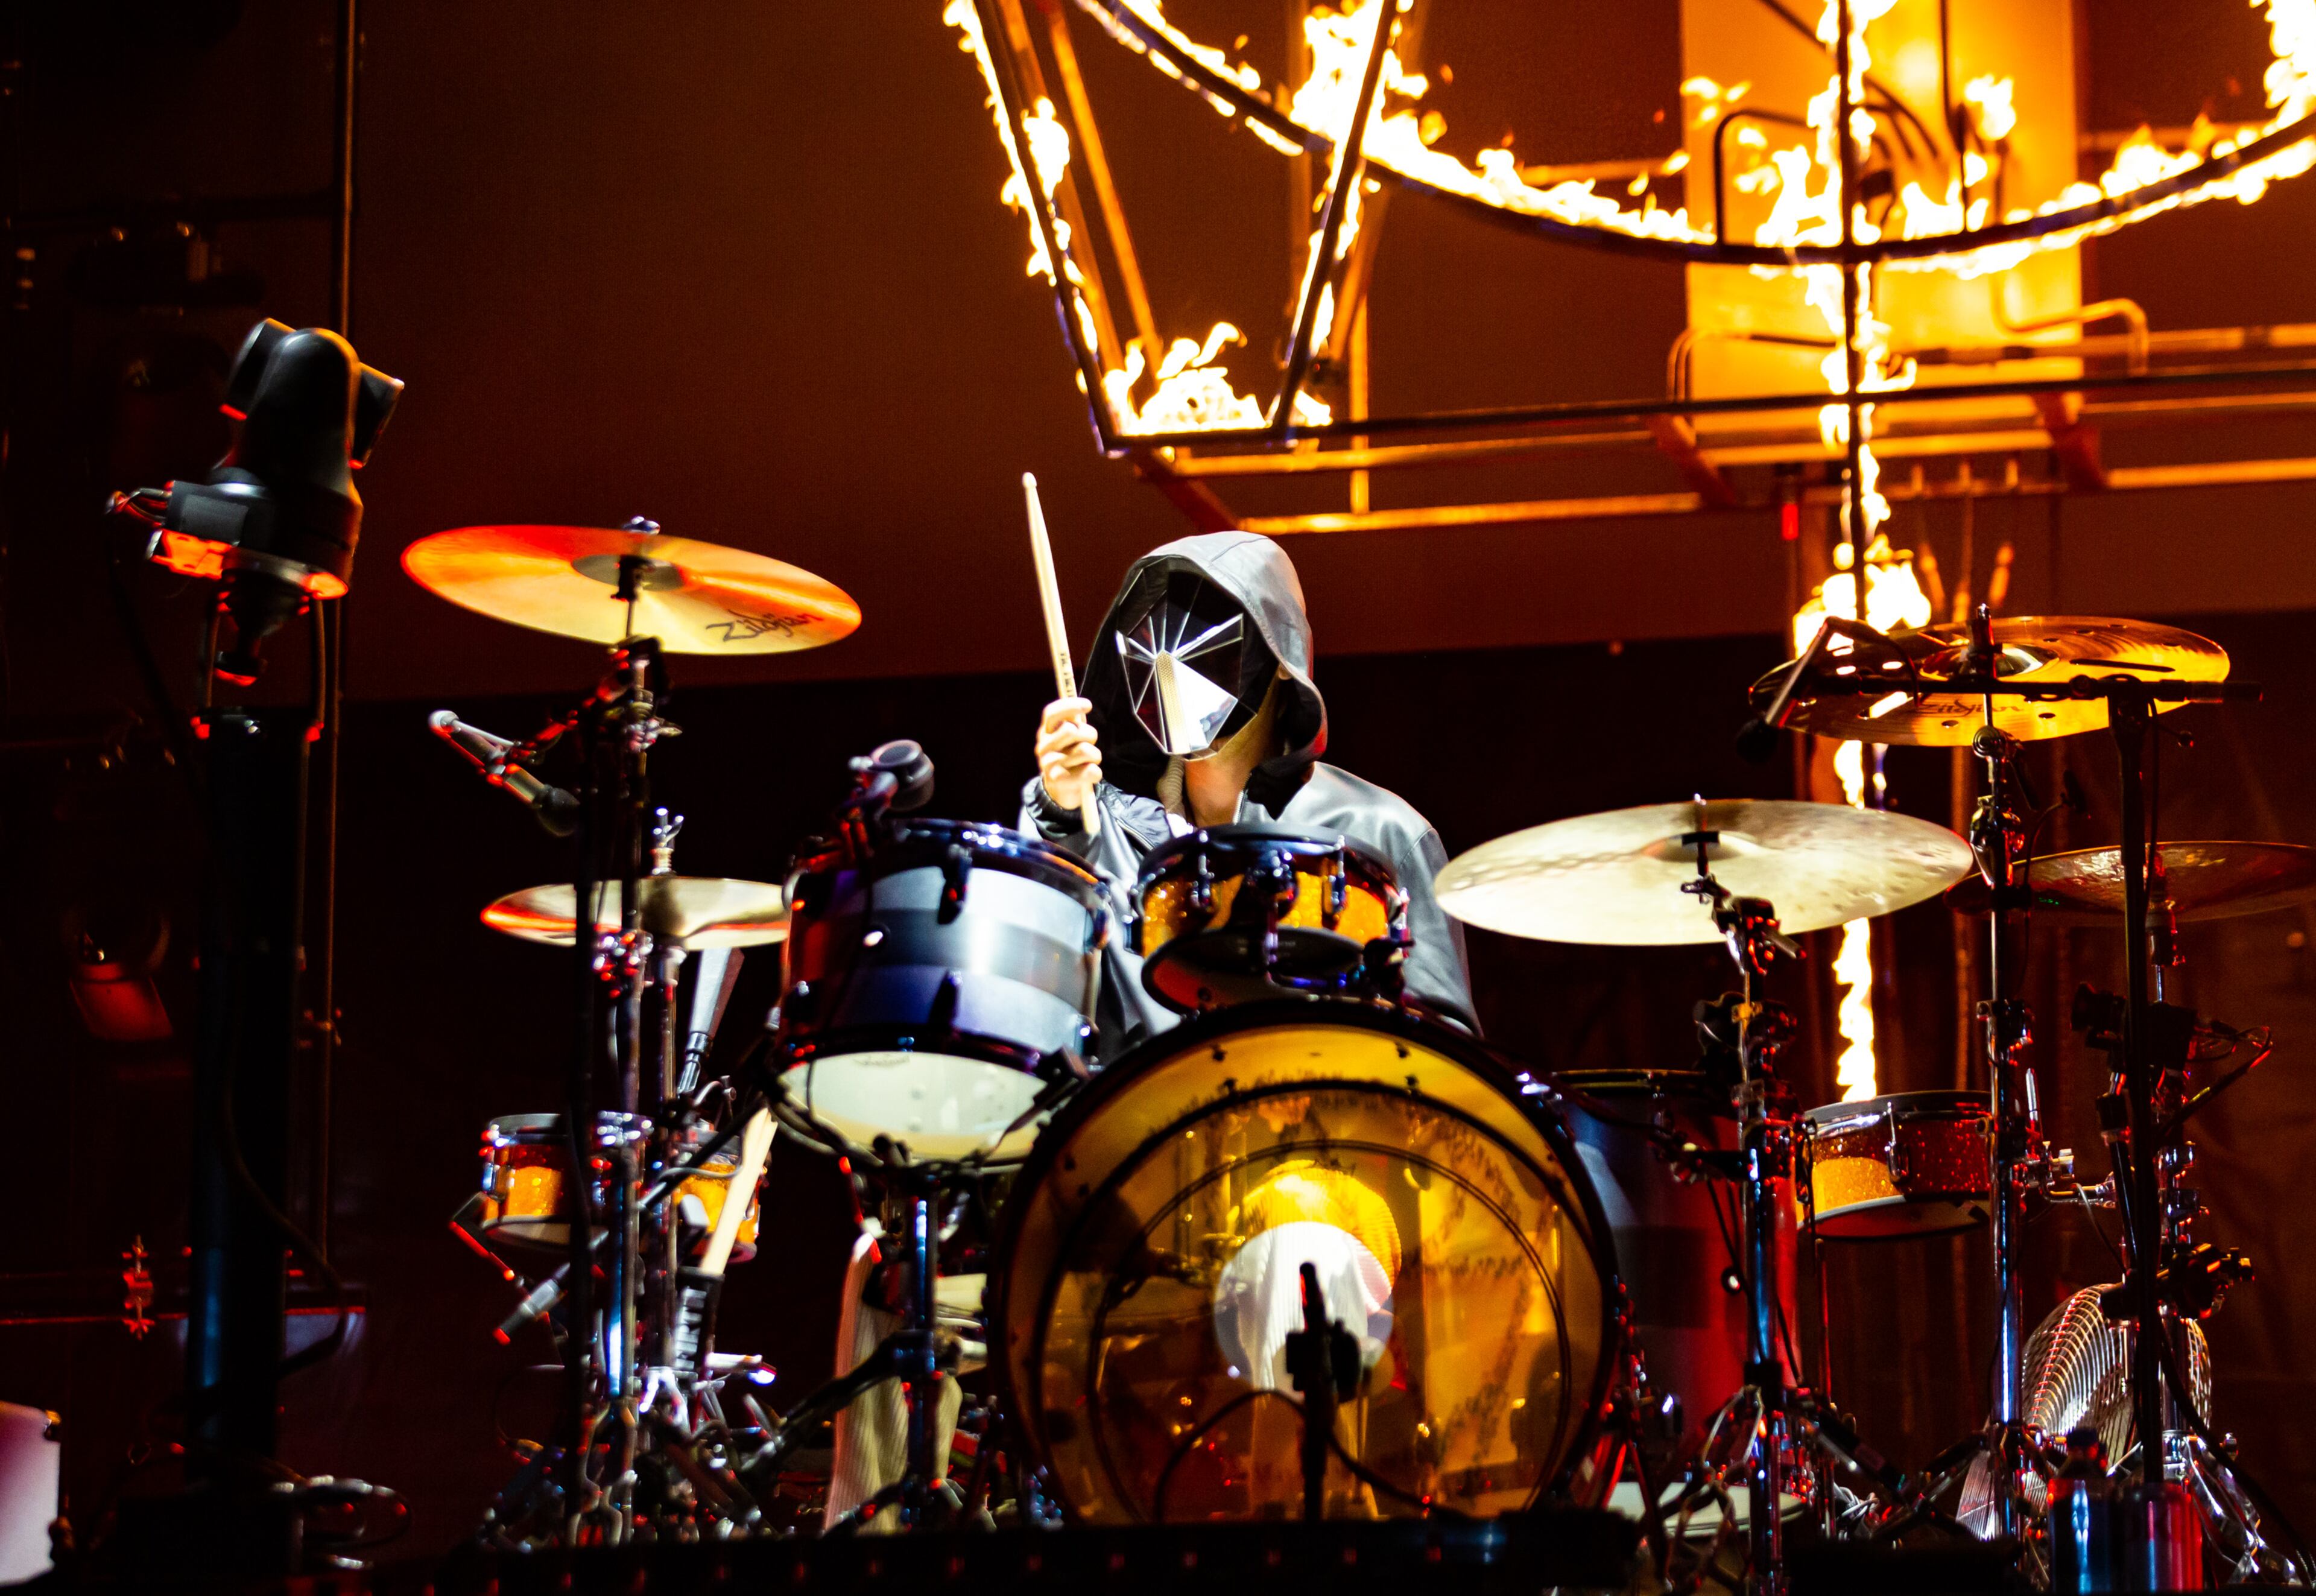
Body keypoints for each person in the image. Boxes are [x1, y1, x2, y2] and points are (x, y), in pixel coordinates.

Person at [1020, 530, 1473, 1050]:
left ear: (1281, 657)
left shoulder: (1380, 833)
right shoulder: (1098, 832)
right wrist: (1060, 816)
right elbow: (1040, 997)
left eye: (1206, 645)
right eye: (1152, 643)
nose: (1169, 667)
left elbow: (1448, 1055)